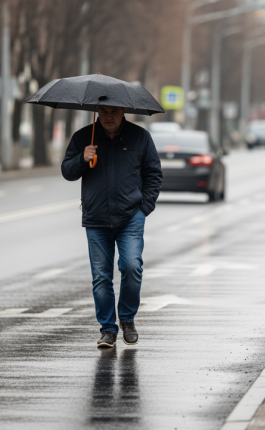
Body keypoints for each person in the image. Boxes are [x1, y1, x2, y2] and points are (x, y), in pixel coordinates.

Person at [61, 105, 162, 348]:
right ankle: (108, 329)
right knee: (101, 277)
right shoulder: (84, 137)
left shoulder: (140, 137)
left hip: (130, 217)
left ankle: (127, 319)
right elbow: (67, 171)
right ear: (97, 112)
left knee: (131, 267)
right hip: (96, 218)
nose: (108, 116)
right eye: (104, 111)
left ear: (123, 113)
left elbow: (153, 174)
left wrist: (143, 209)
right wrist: (81, 159)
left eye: (114, 112)